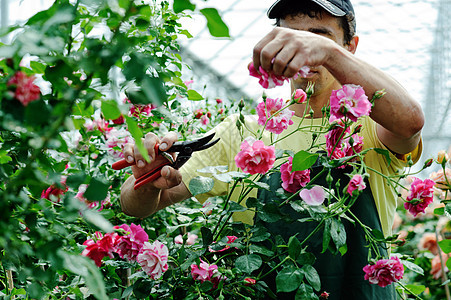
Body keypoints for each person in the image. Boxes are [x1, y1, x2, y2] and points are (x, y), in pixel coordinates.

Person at [120, 0, 424, 298]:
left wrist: (328, 54)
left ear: (350, 47)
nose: (305, 50)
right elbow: (135, 205)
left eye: (320, 36)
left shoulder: (371, 126)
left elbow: (410, 122)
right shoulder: (242, 131)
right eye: (293, 38)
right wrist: (147, 182)